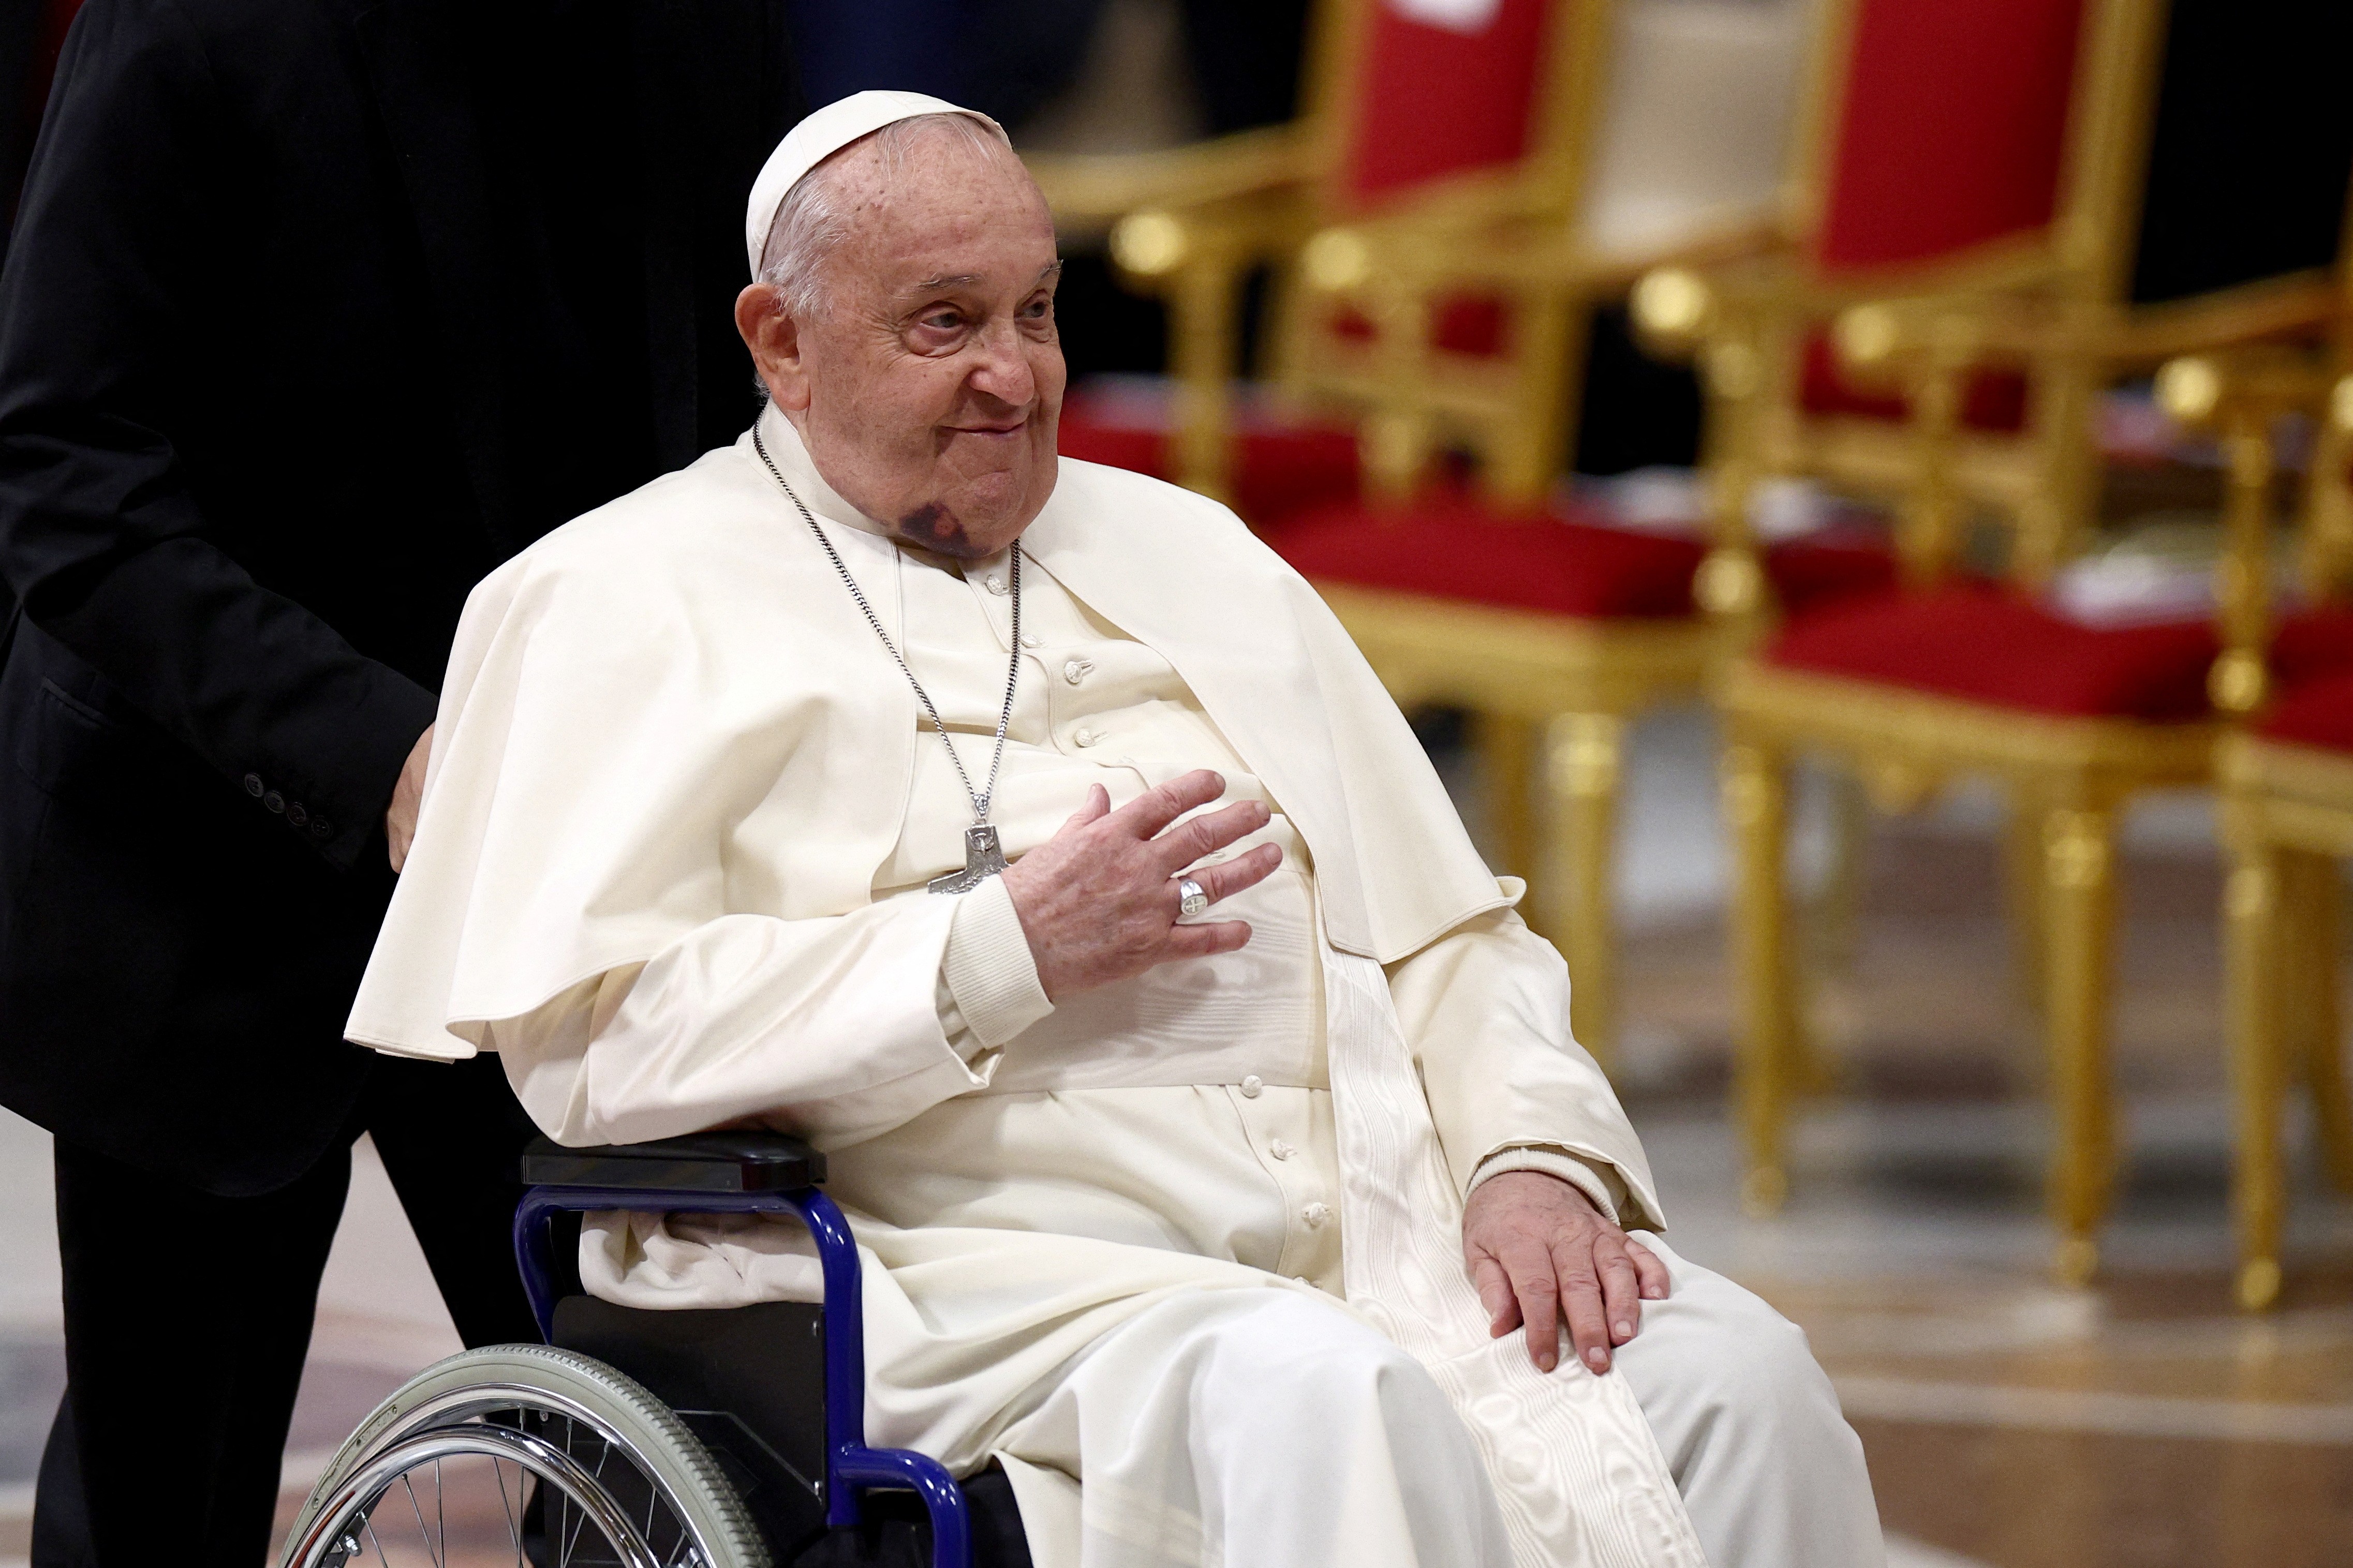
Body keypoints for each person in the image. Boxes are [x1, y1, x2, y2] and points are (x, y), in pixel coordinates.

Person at [350, 91, 1885, 1568]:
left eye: (1035, 312)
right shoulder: (617, 595)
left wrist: (1530, 1160)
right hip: (960, 1272)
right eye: (945, 323)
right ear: (782, 343)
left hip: (1376, 1238)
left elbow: (1444, 934)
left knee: (1736, 1382)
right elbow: (598, 1048)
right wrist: (996, 951)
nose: (1014, 377)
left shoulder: (1195, 547)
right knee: (1327, 1398)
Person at [0, 2, 798, 1562]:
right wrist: (384, 755)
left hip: (571, 881)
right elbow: (68, 476)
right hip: (201, 859)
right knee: (160, 1500)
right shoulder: (186, 28)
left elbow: (750, 413)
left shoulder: (701, 28)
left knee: (678, 1481)